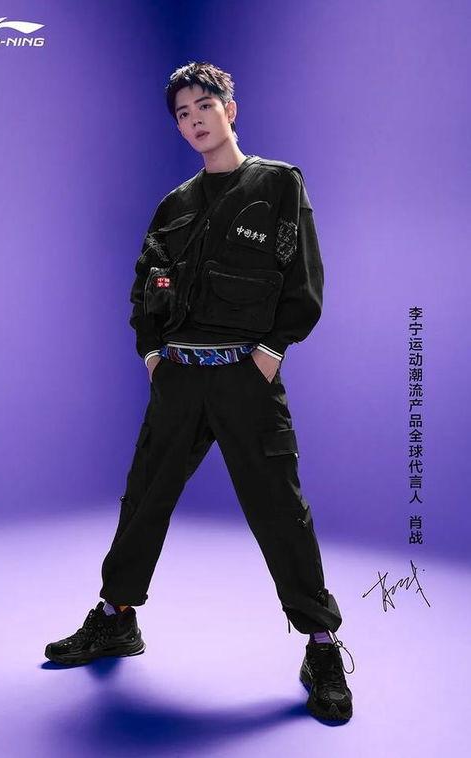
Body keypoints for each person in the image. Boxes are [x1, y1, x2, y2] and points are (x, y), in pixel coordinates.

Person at [45, 61, 355, 722]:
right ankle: (115, 618)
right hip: (180, 379)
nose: (193, 121)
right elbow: (145, 289)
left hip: (245, 377)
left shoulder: (277, 184)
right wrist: (153, 355)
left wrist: (270, 352)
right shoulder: (174, 206)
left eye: (203, 107)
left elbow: (303, 282)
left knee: (279, 510)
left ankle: (322, 645)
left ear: (229, 109)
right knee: (143, 499)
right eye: (182, 114)